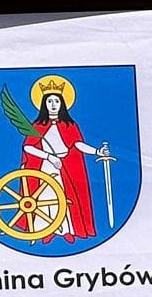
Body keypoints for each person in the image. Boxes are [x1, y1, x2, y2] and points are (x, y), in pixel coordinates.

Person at [22, 83, 111, 241]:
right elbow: (28, 147)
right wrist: (49, 157)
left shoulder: (70, 125)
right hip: (46, 166)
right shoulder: (37, 126)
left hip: (66, 167)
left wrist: (97, 152)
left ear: (62, 103)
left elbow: (78, 144)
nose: (53, 105)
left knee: (67, 198)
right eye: (49, 101)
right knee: (45, 197)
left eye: (56, 101)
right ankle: (46, 231)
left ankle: (66, 230)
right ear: (44, 104)